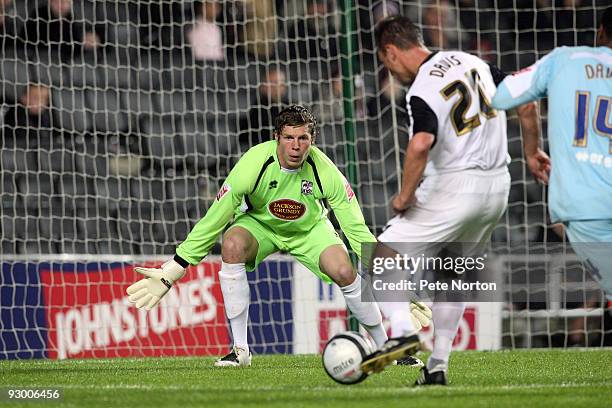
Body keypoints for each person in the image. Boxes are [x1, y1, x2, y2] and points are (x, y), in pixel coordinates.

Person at [126, 105, 430, 367]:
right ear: (277, 138)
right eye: (289, 138)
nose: (296, 146)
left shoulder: (326, 172)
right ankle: (240, 350)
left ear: (312, 140)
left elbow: (356, 231)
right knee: (231, 244)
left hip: (310, 229)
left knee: (344, 270)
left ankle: (385, 345)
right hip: (261, 225)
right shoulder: (252, 165)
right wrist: (175, 268)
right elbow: (214, 219)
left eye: (303, 138)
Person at [360, 15, 539, 385]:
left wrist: (404, 196)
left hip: (456, 186)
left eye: (385, 64)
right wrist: (534, 152)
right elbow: (527, 100)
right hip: (497, 188)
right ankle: (438, 367)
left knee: (382, 258)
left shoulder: (422, 87)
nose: (390, 72)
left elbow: (421, 143)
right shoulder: (474, 62)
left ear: (391, 53)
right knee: (450, 272)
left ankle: (401, 333)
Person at [492, 6, 612, 301]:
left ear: (600, 31)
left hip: (585, 206)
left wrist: (531, 150)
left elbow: (503, 96)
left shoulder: (562, 59)